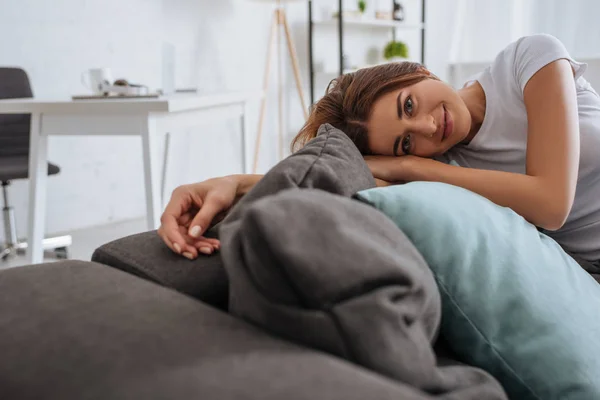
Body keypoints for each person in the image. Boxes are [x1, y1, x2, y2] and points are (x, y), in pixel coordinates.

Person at [157, 33, 600, 271]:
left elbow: (550, 203)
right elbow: (336, 173)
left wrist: (407, 163)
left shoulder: (529, 61)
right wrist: (232, 183)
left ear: (417, 71)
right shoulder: (441, 167)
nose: (428, 127)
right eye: (406, 142)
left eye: (409, 104)